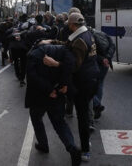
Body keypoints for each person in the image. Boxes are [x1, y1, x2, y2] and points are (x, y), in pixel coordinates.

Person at [41, 12, 100, 162]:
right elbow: (68, 46)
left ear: (73, 25)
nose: (68, 27)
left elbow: (73, 66)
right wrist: (51, 41)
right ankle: (86, 142)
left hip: (84, 82)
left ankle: (85, 150)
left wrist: (56, 64)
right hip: (92, 78)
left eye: (69, 25)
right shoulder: (86, 34)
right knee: (84, 112)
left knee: (82, 116)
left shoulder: (80, 40)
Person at [26, 42, 82, 166]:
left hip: (40, 95)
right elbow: (69, 67)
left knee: (36, 118)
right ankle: (72, 147)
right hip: (58, 93)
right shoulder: (64, 51)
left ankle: (43, 144)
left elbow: (31, 75)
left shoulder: (34, 54)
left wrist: (48, 89)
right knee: (60, 123)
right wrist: (63, 85)